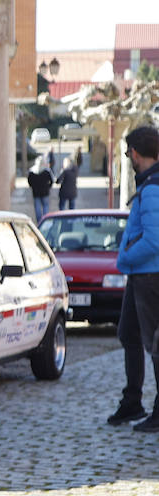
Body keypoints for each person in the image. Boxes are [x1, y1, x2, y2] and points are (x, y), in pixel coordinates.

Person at [111, 126, 159, 432]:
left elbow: (155, 240)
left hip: (149, 275)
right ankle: (132, 401)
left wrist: (124, 257)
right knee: (128, 334)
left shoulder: (153, 187)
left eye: (129, 153)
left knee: (155, 345)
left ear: (135, 154)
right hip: (140, 275)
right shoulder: (149, 185)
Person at [27, 156, 54, 222]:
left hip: (36, 192)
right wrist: (49, 187)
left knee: (37, 207)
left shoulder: (32, 171)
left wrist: (33, 187)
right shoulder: (46, 171)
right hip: (45, 192)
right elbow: (52, 180)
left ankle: (39, 221)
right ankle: (45, 220)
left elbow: (29, 181)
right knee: (45, 206)